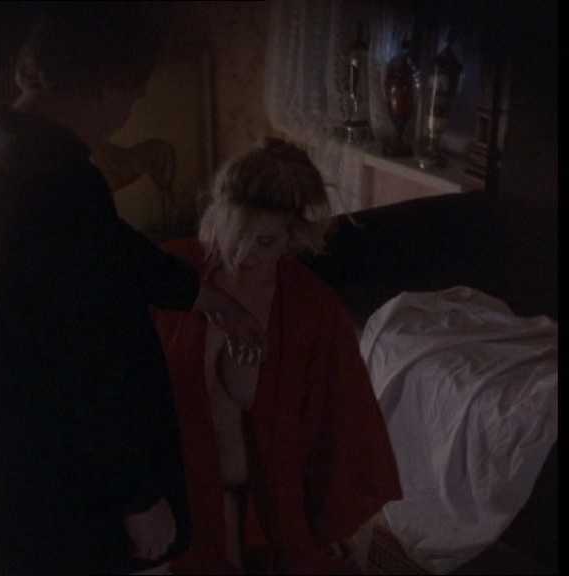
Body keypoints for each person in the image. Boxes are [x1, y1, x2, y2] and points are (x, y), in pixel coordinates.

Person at [0, 3, 263, 575]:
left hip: (25, 457)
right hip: (75, 479)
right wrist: (137, 496)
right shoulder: (55, 181)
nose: (128, 112)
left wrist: (200, 294)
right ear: (101, 84)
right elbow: (86, 357)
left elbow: (109, 246)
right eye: (131, 94)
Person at [153, 139, 403, 574]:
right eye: (236, 233)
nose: (245, 253)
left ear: (292, 236)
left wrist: (340, 522)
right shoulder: (173, 276)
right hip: (189, 506)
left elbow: (345, 418)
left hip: (275, 514)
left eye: (265, 241)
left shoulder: (313, 309)